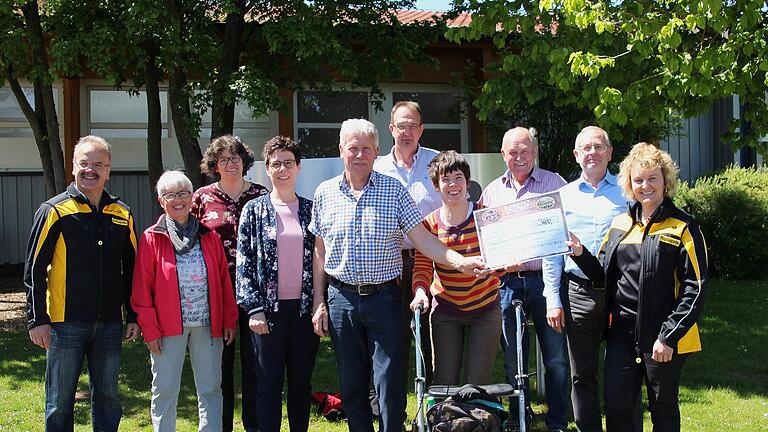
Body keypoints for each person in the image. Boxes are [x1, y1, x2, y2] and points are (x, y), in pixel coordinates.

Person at [309, 119, 487, 432]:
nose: (360, 154)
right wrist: (319, 301)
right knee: (351, 384)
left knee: (389, 384)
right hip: (341, 300)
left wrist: (460, 262)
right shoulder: (324, 194)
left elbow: (423, 239)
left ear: (377, 151)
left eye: (367, 148)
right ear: (341, 150)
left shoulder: (393, 190)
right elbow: (320, 251)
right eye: (353, 148)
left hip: (385, 298)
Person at [569, 142, 707, 432]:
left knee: (663, 410)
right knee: (617, 410)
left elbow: (695, 289)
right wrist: (580, 253)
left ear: (665, 181)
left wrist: (668, 337)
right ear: (629, 185)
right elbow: (602, 276)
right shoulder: (621, 223)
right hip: (621, 334)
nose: (646, 186)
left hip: (663, 335)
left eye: (652, 178)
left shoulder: (683, 226)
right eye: (638, 180)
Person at [24, 135, 139, 431]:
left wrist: (133, 315)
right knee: (60, 402)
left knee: (109, 399)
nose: (91, 170)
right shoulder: (54, 211)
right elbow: (34, 270)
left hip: (110, 324)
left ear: (109, 169)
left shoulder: (122, 214)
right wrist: (38, 319)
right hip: (64, 323)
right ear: (73, 167)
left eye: (98, 164)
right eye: (84, 163)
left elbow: (134, 269)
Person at [541, 126, 634, 432]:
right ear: (576, 155)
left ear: (609, 152)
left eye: (598, 147)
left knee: (623, 370)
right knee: (583, 373)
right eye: (586, 148)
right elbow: (552, 252)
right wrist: (553, 299)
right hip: (579, 292)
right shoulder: (562, 197)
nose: (592, 153)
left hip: (621, 293)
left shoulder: (628, 193)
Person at [132, 170, 238, 432]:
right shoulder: (151, 237)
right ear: (161, 201)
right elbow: (141, 289)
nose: (178, 200)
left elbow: (224, 282)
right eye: (170, 195)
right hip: (167, 329)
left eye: (183, 193)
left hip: (208, 325)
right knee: (165, 390)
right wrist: (150, 329)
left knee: (211, 388)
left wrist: (228, 319)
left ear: (192, 198)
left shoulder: (209, 236)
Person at [481, 126, 569, 432]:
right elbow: (487, 243)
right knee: (513, 358)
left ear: (534, 152)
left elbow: (563, 233)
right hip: (507, 283)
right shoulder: (492, 192)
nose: (519, 157)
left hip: (546, 281)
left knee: (555, 357)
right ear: (503, 154)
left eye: (524, 150)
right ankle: (520, 415)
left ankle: (558, 420)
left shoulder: (554, 183)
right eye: (512, 152)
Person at [410, 151, 516, 385]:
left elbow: (501, 260)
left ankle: (475, 421)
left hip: (485, 308)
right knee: (444, 381)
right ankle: (446, 421)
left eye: (458, 177)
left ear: (467, 182)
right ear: (436, 186)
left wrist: (496, 268)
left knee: (476, 381)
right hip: (446, 309)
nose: (453, 184)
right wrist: (420, 291)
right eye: (445, 179)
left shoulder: (486, 216)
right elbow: (423, 265)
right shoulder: (429, 223)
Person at [236, 136, 319, 432]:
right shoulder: (253, 210)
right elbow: (243, 263)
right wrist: (253, 310)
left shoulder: (312, 210)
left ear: (298, 168)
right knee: (268, 384)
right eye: (275, 164)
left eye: (288, 163)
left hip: (303, 312)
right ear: (267, 170)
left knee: (300, 383)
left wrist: (319, 306)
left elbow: (321, 260)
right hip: (266, 314)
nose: (282, 169)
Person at [192, 134, 268, 432]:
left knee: (255, 365)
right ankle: (220, 426)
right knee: (218, 367)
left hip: (255, 292)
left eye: (235, 157)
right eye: (223, 159)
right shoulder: (201, 197)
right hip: (214, 292)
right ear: (215, 165)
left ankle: (254, 425)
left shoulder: (261, 194)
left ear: (244, 161)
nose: (230, 163)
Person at [374, 100, 442, 394]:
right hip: (389, 261)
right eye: (401, 126)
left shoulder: (438, 163)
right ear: (391, 129)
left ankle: (432, 402)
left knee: (431, 334)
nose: (407, 132)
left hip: (430, 260)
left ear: (421, 129)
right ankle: (389, 402)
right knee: (391, 336)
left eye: (412, 126)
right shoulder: (376, 168)